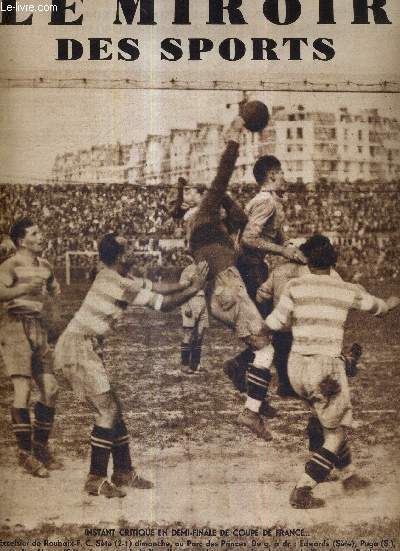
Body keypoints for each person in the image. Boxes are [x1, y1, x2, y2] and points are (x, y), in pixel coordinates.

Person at [55, 233, 208, 498]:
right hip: (78, 347)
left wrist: (187, 283)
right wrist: (195, 288)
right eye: (129, 248)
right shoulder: (117, 282)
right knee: (107, 410)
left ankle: (123, 472)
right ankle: (95, 478)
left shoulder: (115, 277)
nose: (134, 251)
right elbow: (164, 304)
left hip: (83, 346)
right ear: (120, 256)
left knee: (114, 408)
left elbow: (159, 288)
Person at [264, 234, 400, 509]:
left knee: (326, 418)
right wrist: (393, 300)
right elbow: (380, 308)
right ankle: (303, 489)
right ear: (333, 261)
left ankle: (349, 475)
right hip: (326, 369)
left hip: (296, 366)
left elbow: (274, 323)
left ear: (307, 260)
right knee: (335, 432)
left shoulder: (294, 285)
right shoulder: (346, 289)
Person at [170, 116, 277, 441]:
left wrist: (226, 199)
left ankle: (251, 394)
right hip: (229, 286)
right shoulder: (205, 215)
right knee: (266, 350)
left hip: (219, 294)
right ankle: (251, 411)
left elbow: (240, 218)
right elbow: (223, 174)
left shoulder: (205, 230)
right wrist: (235, 135)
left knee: (262, 346)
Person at [0, 218, 63, 478]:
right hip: (15, 327)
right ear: (22, 241)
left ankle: (39, 446)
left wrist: (56, 325)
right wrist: (24, 288)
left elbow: (54, 295)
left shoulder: (46, 267)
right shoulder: (10, 265)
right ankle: (24, 453)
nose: (41, 236)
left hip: (39, 328)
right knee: (23, 389)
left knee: (51, 388)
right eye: (35, 233)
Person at [179, 263, 209, 374]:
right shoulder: (188, 269)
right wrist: (186, 305)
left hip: (202, 301)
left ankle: (195, 364)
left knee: (200, 334)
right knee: (189, 333)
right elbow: (182, 290)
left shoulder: (206, 269)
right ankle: (185, 365)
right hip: (191, 301)